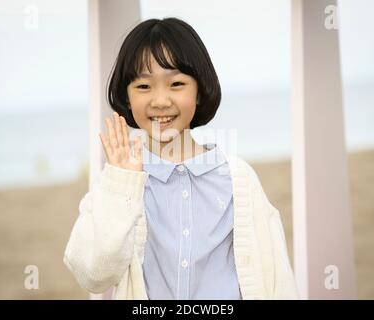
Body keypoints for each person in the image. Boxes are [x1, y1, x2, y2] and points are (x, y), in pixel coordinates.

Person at [63, 17, 298, 300]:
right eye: (143, 86)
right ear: (126, 96)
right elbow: (94, 275)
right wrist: (121, 183)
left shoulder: (239, 179)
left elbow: (278, 280)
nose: (161, 100)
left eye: (176, 83)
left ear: (199, 91)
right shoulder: (118, 182)